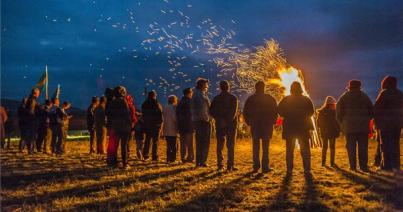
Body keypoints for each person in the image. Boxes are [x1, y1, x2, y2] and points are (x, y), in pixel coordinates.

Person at [337, 80, 373, 172]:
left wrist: (342, 123)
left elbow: (338, 113)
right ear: (359, 86)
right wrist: (366, 119)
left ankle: (352, 166)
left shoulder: (344, 97)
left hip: (349, 127)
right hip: (363, 127)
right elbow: (372, 111)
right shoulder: (364, 97)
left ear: (349, 86)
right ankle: (363, 166)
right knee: (363, 147)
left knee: (351, 147)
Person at [278, 81, 315, 175]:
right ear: (300, 89)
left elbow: (280, 111)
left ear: (291, 89)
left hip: (289, 127)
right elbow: (311, 112)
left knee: (289, 150)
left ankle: (289, 170)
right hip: (303, 127)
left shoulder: (286, 99)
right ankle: (307, 169)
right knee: (305, 149)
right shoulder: (306, 99)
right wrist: (303, 115)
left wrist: (288, 115)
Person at [244, 81, 278, 173]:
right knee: (265, 146)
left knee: (255, 146)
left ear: (256, 88)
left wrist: (249, 122)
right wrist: (273, 122)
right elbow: (275, 112)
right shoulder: (270, 98)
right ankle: (265, 166)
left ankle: (256, 166)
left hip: (255, 125)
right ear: (264, 87)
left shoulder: (251, 99)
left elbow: (245, 112)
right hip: (267, 126)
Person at [374, 76, 403, 171]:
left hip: (385, 124)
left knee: (385, 145)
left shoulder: (384, 93)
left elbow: (376, 109)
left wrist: (376, 122)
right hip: (397, 124)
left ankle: (386, 166)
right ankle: (396, 165)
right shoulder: (400, 94)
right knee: (395, 145)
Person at [210, 81, 239, 171]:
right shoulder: (233, 98)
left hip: (219, 125)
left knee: (220, 145)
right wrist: (227, 121)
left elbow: (211, 111)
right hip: (231, 125)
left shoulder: (216, 99)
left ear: (220, 88)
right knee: (230, 145)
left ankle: (220, 164)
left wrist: (219, 119)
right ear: (228, 87)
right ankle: (230, 165)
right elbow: (233, 113)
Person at [108, 86, 132, 168]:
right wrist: (130, 125)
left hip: (115, 126)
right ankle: (125, 163)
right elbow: (127, 114)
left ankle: (113, 162)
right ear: (122, 92)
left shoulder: (112, 102)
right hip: (124, 126)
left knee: (115, 145)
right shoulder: (123, 101)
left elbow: (110, 114)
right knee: (124, 145)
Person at [191, 78, 212, 168]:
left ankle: (199, 161)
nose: (207, 86)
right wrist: (207, 119)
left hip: (198, 121)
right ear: (202, 85)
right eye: (206, 84)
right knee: (205, 142)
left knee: (199, 142)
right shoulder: (200, 96)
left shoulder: (197, 94)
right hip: (203, 121)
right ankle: (202, 161)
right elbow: (202, 109)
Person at [317, 96, 340, 167]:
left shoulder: (321, 112)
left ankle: (323, 162)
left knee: (325, 147)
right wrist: (338, 130)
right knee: (332, 147)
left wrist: (322, 128)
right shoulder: (334, 113)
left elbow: (318, 123)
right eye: (333, 104)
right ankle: (332, 163)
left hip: (324, 132)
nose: (334, 106)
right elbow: (337, 123)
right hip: (332, 132)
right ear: (330, 105)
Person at [141, 91, 163, 161]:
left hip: (147, 124)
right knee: (155, 141)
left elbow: (143, 114)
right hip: (156, 125)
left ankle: (145, 154)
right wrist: (160, 122)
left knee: (147, 139)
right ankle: (154, 156)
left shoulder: (144, 103)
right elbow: (160, 113)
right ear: (154, 95)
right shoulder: (156, 103)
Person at [176, 88, 194, 163]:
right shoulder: (190, 102)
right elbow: (192, 113)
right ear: (189, 93)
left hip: (181, 125)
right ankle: (190, 157)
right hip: (189, 125)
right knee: (190, 143)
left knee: (182, 143)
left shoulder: (179, 102)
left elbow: (177, 114)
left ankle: (183, 157)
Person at [163, 95, 179, 163]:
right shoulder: (174, 107)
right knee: (174, 145)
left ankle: (168, 158)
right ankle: (173, 159)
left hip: (166, 128)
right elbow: (174, 118)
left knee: (168, 145)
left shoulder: (165, 107)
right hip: (173, 129)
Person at [24, 88, 41, 154]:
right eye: (38, 93)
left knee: (32, 135)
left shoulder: (31, 99)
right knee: (32, 135)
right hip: (32, 120)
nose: (39, 94)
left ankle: (31, 150)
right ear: (36, 93)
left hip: (30, 119)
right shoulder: (33, 100)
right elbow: (31, 111)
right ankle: (31, 150)